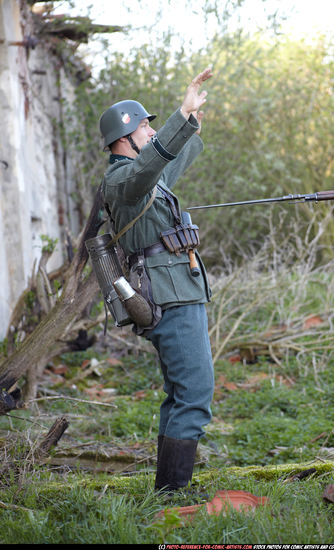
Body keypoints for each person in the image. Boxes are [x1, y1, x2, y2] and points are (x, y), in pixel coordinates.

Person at [99, 68, 214, 493]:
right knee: (195, 394)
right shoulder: (121, 180)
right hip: (169, 296)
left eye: (150, 124)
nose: (149, 129)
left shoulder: (145, 178)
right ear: (123, 138)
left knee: (181, 393)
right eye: (144, 125)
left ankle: (168, 491)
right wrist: (179, 113)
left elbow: (166, 161)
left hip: (177, 291)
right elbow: (150, 167)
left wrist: (190, 123)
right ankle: (174, 493)